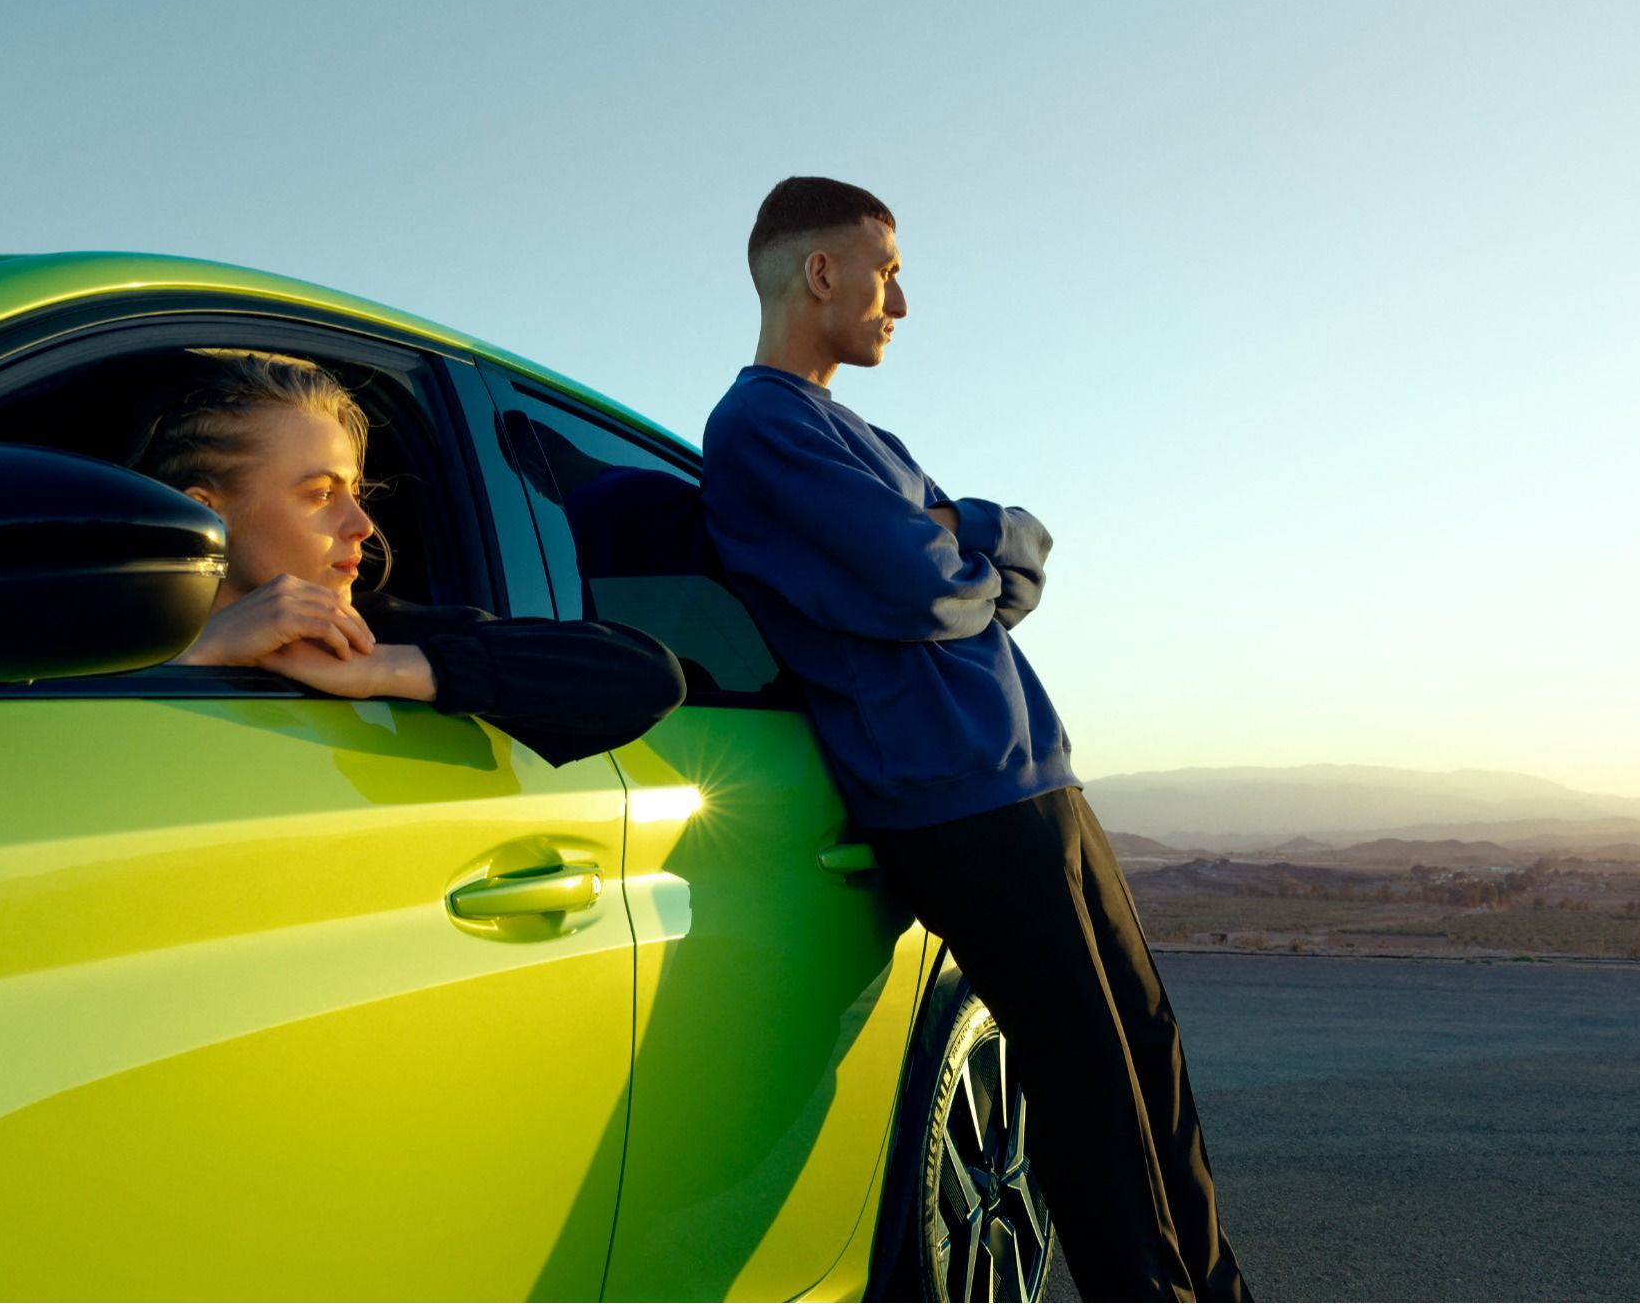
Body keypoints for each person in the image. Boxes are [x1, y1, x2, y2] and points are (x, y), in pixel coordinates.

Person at [700, 178, 1250, 1302]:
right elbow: (925, 585)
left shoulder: (865, 434)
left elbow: (1019, 564)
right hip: (955, 803)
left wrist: (964, 537)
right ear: (820, 272)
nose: (899, 300)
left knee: (1146, 1049)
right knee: (1084, 1081)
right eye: (886, 269)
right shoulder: (758, 425)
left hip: (1035, 778)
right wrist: (961, 540)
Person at [131, 350, 685, 764]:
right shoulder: (91, 638)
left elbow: (648, 675)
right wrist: (201, 653)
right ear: (207, 515)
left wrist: (384, 669)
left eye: (355, 491)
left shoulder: (375, 630)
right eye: (322, 494)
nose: (363, 525)